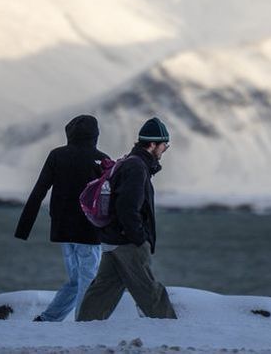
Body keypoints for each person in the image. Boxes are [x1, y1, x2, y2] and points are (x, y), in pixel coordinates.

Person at [76, 117, 177, 321]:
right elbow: (127, 207)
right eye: (164, 146)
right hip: (127, 243)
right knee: (150, 292)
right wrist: (139, 238)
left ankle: (84, 328)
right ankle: (172, 330)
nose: (164, 150)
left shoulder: (130, 163)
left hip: (114, 240)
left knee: (103, 289)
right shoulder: (137, 168)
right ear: (152, 144)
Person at [14, 114, 109, 321]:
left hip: (62, 228)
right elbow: (106, 197)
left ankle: (49, 318)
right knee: (88, 279)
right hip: (89, 229)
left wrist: (24, 229)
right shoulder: (102, 159)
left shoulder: (57, 155)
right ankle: (84, 322)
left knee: (76, 279)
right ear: (95, 135)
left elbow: (39, 190)